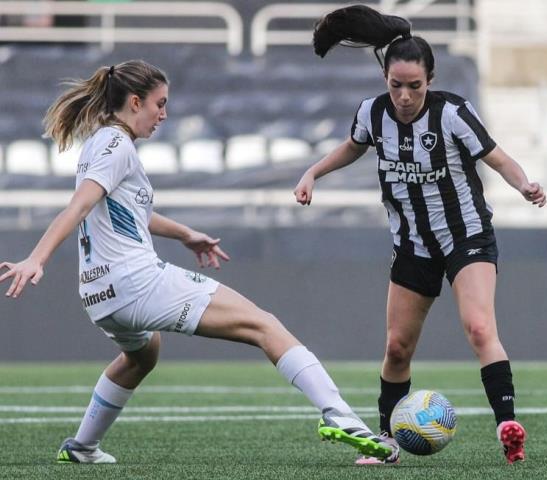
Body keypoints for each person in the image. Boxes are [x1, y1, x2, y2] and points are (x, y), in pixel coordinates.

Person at [0, 59, 393, 464]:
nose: (164, 115)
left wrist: (186, 234)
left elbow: (125, 210)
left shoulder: (100, 144)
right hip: (137, 283)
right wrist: (37, 258)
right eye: (159, 104)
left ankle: (82, 447)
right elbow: (80, 205)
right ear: (135, 102)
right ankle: (341, 416)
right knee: (264, 324)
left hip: (101, 296)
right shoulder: (117, 145)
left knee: (142, 355)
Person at [294, 4, 547, 465]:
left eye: (415, 86)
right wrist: (312, 173)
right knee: (396, 347)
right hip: (411, 245)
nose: (405, 96)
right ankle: (387, 443)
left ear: (429, 80)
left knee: (478, 326)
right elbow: (351, 148)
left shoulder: (452, 113)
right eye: (396, 85)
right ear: (385, 79)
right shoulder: (372, 114)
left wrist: (525, 184)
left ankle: (507, 427)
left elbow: (498, 158)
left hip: (465, 237)